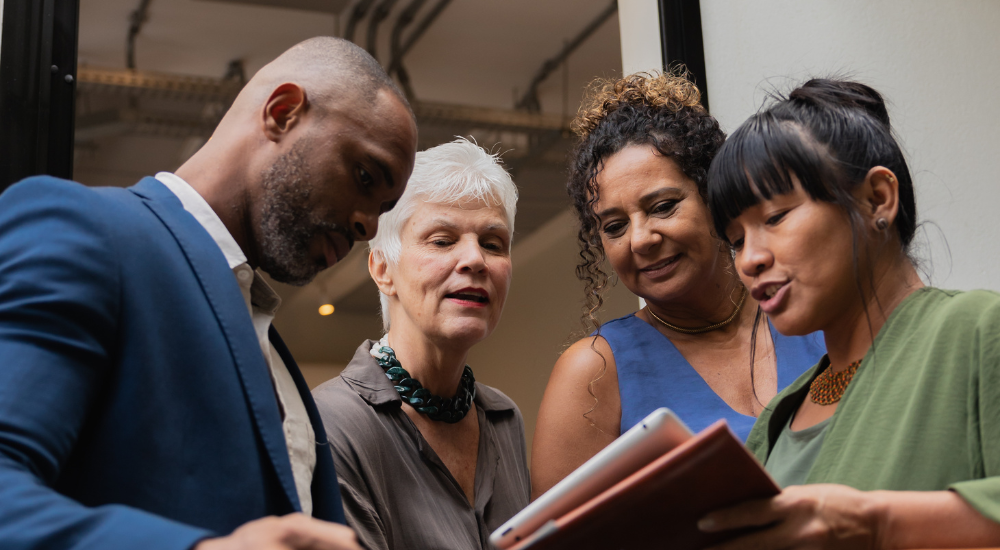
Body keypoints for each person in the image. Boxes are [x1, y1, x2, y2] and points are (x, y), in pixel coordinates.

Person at [0, 37, 417, 550]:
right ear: (283, 113)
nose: (367, 226)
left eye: (384, 206)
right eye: (365, 175)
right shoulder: (87, 231)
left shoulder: (271, 348)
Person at [697, 79, 1000, 548]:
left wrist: (875, 524)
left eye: (775, 217)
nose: (749, 259)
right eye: (735, 241)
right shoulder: (778, 418)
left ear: (877, 198)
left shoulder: (979, 330)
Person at [531, 72, 825, 498]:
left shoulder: (811, 312)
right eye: (614, 226)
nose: (640, 239)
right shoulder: (594, 374)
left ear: (713, 196)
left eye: (663, 207)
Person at [312, 138, 528, 550]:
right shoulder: (331, 423)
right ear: (382, 270)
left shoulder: (503, 419)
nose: (475, 260)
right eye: (442, 240)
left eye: (492, 243)